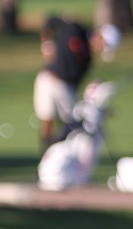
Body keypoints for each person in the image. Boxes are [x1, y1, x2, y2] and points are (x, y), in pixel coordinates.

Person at [35, 15, 93, 151]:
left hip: (66, 87)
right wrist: (47, 44)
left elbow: (76, 80)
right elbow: (50, 21)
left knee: (70, 124)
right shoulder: (74, 30)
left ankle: (66, 151)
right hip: (48, 78)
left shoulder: (88, 59)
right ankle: (46, 152)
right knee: (47, 117)